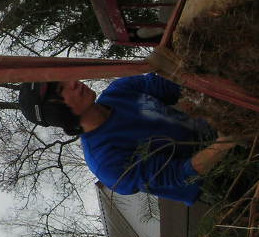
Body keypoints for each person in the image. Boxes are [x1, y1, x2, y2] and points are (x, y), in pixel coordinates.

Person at [18, 74, 236, 205]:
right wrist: (226, 142)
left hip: (215, 132)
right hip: (218, 180)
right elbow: (179, 174)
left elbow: (176, 85)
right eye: (62, 89)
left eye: (65, 79)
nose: (74, 82)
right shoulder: (106, 160)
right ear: (57, 112)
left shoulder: (121, 90)